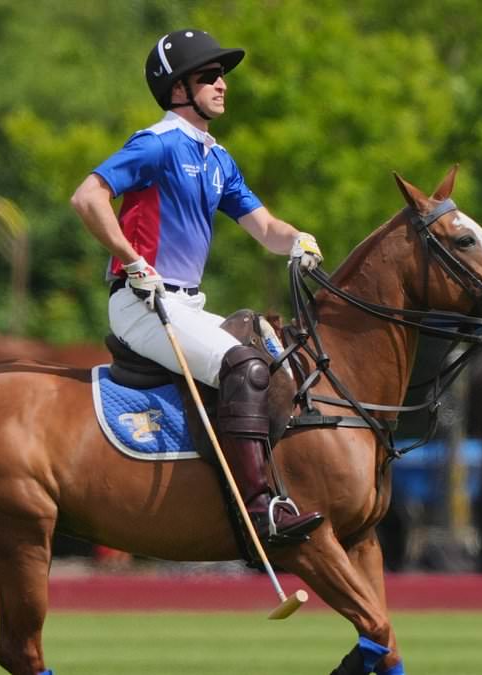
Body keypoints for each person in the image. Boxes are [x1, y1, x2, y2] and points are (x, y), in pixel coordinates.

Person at [70, 28, 324, 546]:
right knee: (244, 366)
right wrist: (129, 258)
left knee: (272, 360)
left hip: (186, 306)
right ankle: (259, 511)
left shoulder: (218, 159)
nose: (222, 85)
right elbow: (87, 197)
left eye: (223, 76)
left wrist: (297, 239)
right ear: (177, 88)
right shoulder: (156, 144)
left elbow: (265, 229)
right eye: (209, 76)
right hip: (142, 305)